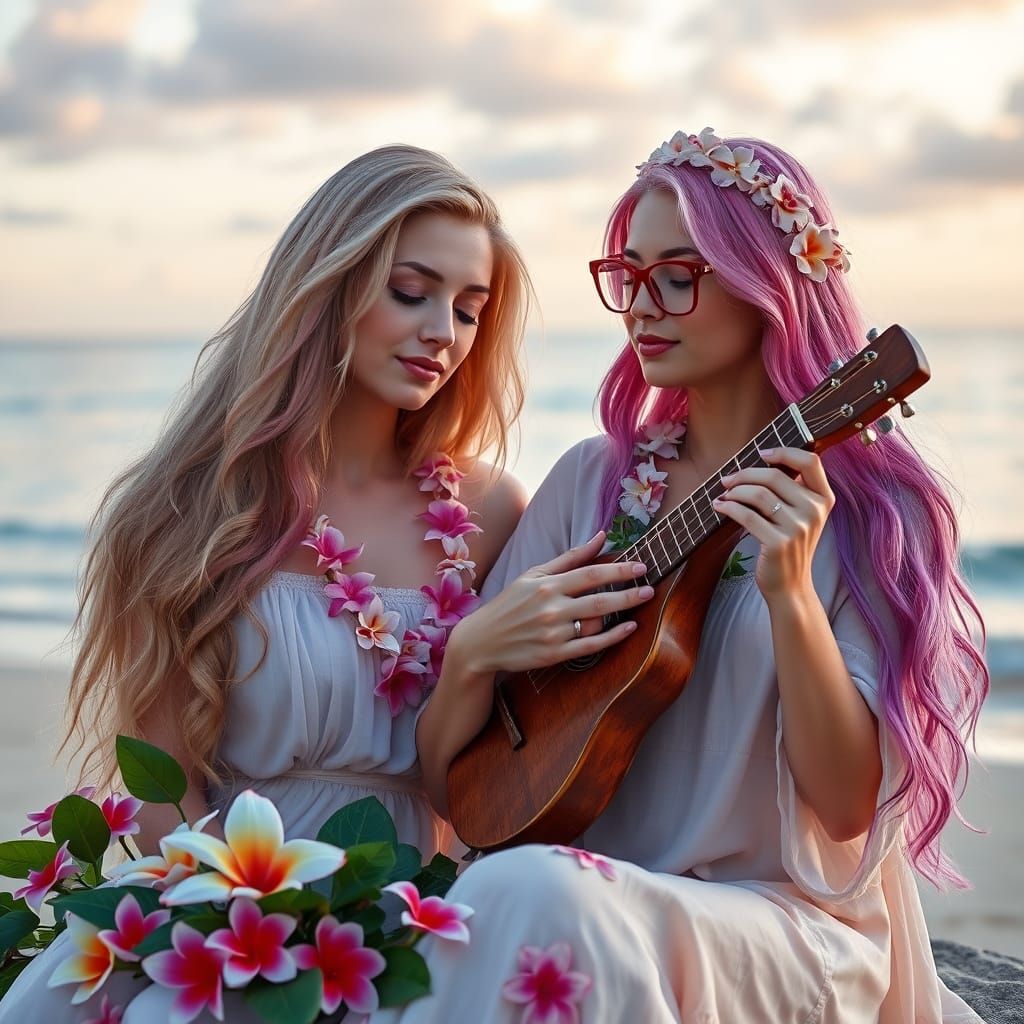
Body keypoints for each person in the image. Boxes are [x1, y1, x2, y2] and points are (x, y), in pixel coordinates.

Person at [0, 144, 652, 1023]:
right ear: (328, 287)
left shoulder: (492, 512)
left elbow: (514, 760)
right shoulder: (188, 508)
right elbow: (162, 786)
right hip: (228, 913)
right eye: (411, 292)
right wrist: (247, 928)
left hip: (417, 921)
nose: (443, 333)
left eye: (469, 310)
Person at [375, 130, 990, 1022]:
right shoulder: (592, 484)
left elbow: (845, 808)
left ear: (764, 284)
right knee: (512, 889)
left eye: (677, 275)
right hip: (588, 899)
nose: (640, 306)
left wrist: (790, 594)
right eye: (628, 275)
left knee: (529, 892)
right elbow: (463, 800)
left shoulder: (871, 517)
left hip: (785, 931)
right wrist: (472, 654)